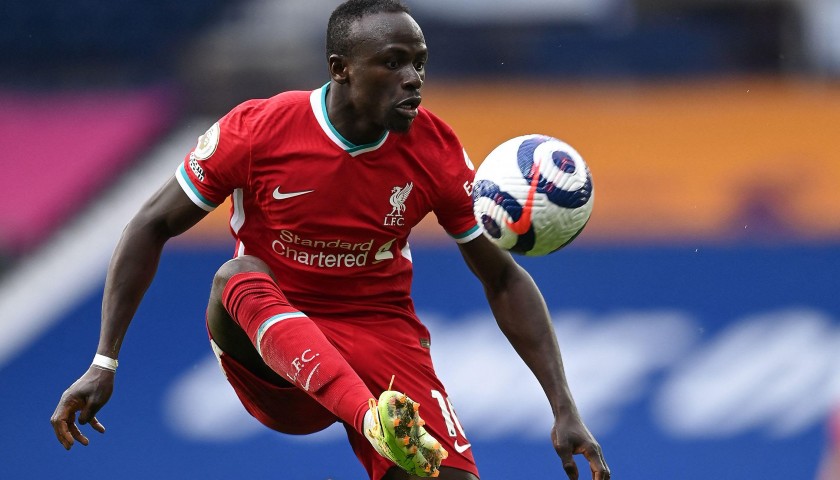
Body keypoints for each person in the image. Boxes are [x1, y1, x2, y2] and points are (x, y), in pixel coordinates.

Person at [50, 1, 610, 478]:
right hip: (272, 348)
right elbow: (148, 226)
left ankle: (380, 421)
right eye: (393, 63)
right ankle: (372, 420)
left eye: (419, 63)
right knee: (235, 277)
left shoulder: (434, 148)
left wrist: (563, 407)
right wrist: (105, 361)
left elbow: (502, 274)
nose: (413, 78)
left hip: (380, 335)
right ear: (340, 69)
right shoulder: (258, 130)